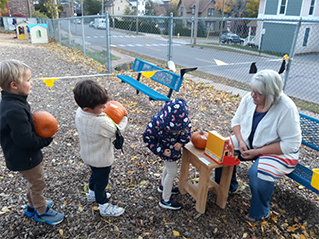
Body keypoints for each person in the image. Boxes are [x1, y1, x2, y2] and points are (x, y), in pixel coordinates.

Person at [215, 69, 301, 222]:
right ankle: (228, 187)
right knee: (222, 148)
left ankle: (260, 211)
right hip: (248, 141)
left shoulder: (286, 108)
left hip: (278, 151)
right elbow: (236, 122)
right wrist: (241, 141)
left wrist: (258, 152)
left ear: (271, 94)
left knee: (258, 173)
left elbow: (291, 144)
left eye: (258, 93)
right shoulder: (250, 98)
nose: (252, 95)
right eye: (252, 90)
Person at [0, 59, 64, 225]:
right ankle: (41, 212)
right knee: (38, 184)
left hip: (22, 155)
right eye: (28, 80)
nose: (32, 83)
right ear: (14, 85)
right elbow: (25, 139)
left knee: (34, 182)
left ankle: (32, 206)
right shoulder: (14, 109)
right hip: (24, 157)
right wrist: (46, 140)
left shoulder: (13, 102)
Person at [73, 79, 128, 217]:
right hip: (101, 158)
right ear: (88, 108)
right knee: (101, 182)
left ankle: (91, 194)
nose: (105, 109)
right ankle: (103, 205)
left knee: (94, 174)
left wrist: (102, 111)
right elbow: (118, 130)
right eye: (102, 107)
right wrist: (124, 117)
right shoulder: (101, 121)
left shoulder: (79, 112)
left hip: (88, 154)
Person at [143, 98, 191, 210]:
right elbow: (148, 138)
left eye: (178, 130)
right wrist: (161, 150)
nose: (176, 132)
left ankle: (163, 186)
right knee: (172, 171)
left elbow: (187, 132)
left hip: (173, 152)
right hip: (164, 149)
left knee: (168, 167)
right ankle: (166, 200)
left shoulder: (184, 122)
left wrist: (181, 142)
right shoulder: (156, 123)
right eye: (173, 130)